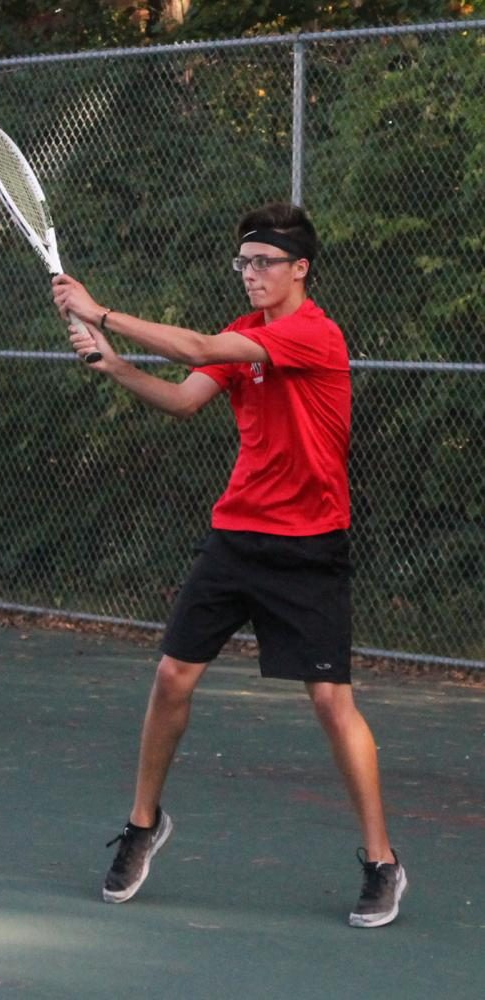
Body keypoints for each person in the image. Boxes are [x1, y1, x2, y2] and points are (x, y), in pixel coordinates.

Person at [52, 201, 407, 929]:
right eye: (243, 263)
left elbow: (193, 351)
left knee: (330, 702)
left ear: (299, 268)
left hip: (309, 547)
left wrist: (104, 312)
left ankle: (382, 862)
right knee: (171, 676)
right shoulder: (245, 336)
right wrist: (112, 364)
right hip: (236, 537)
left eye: (264, 263)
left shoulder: (312, 333)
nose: (250, 275)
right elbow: (185, 399)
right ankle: (145, 823)